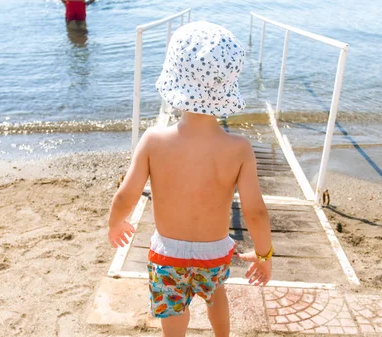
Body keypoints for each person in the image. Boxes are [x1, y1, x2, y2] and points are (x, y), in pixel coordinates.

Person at [107, 21, 273, 337]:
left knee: (173, 308)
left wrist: (116, 222)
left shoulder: (154, 140)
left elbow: (126, 196)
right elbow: (255, 213)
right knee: (215, 296)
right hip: (214, 254)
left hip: (167, 253)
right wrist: (263, 255)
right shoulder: (238, 149)